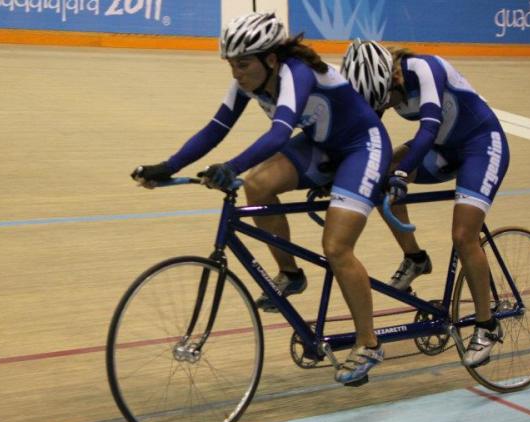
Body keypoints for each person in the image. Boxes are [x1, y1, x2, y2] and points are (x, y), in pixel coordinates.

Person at [132, 12, 393, 385]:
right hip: (322, 144)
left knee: (336, 247)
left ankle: (368, 343)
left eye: (243, 64)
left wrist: (231, 166)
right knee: (257, 185)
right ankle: (290, 274)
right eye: (231, 65)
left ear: (270, 59)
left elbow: (278, 134)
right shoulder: (248, 82)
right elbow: (214, 129)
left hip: (361, 147)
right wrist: (167, 165)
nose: (236, 73)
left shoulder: (296, 73)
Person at [340, 39, 510, 368]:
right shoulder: (378, 86)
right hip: (445, 148)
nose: (383, 104)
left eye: (384, 98)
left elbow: (429, 127)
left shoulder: (424, 68)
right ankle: (415, 258)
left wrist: (402, 172)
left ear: (394, 79)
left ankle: (487, 326)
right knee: (375, 177)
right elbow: (364, 137)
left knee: (463, 236)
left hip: (481, 144)